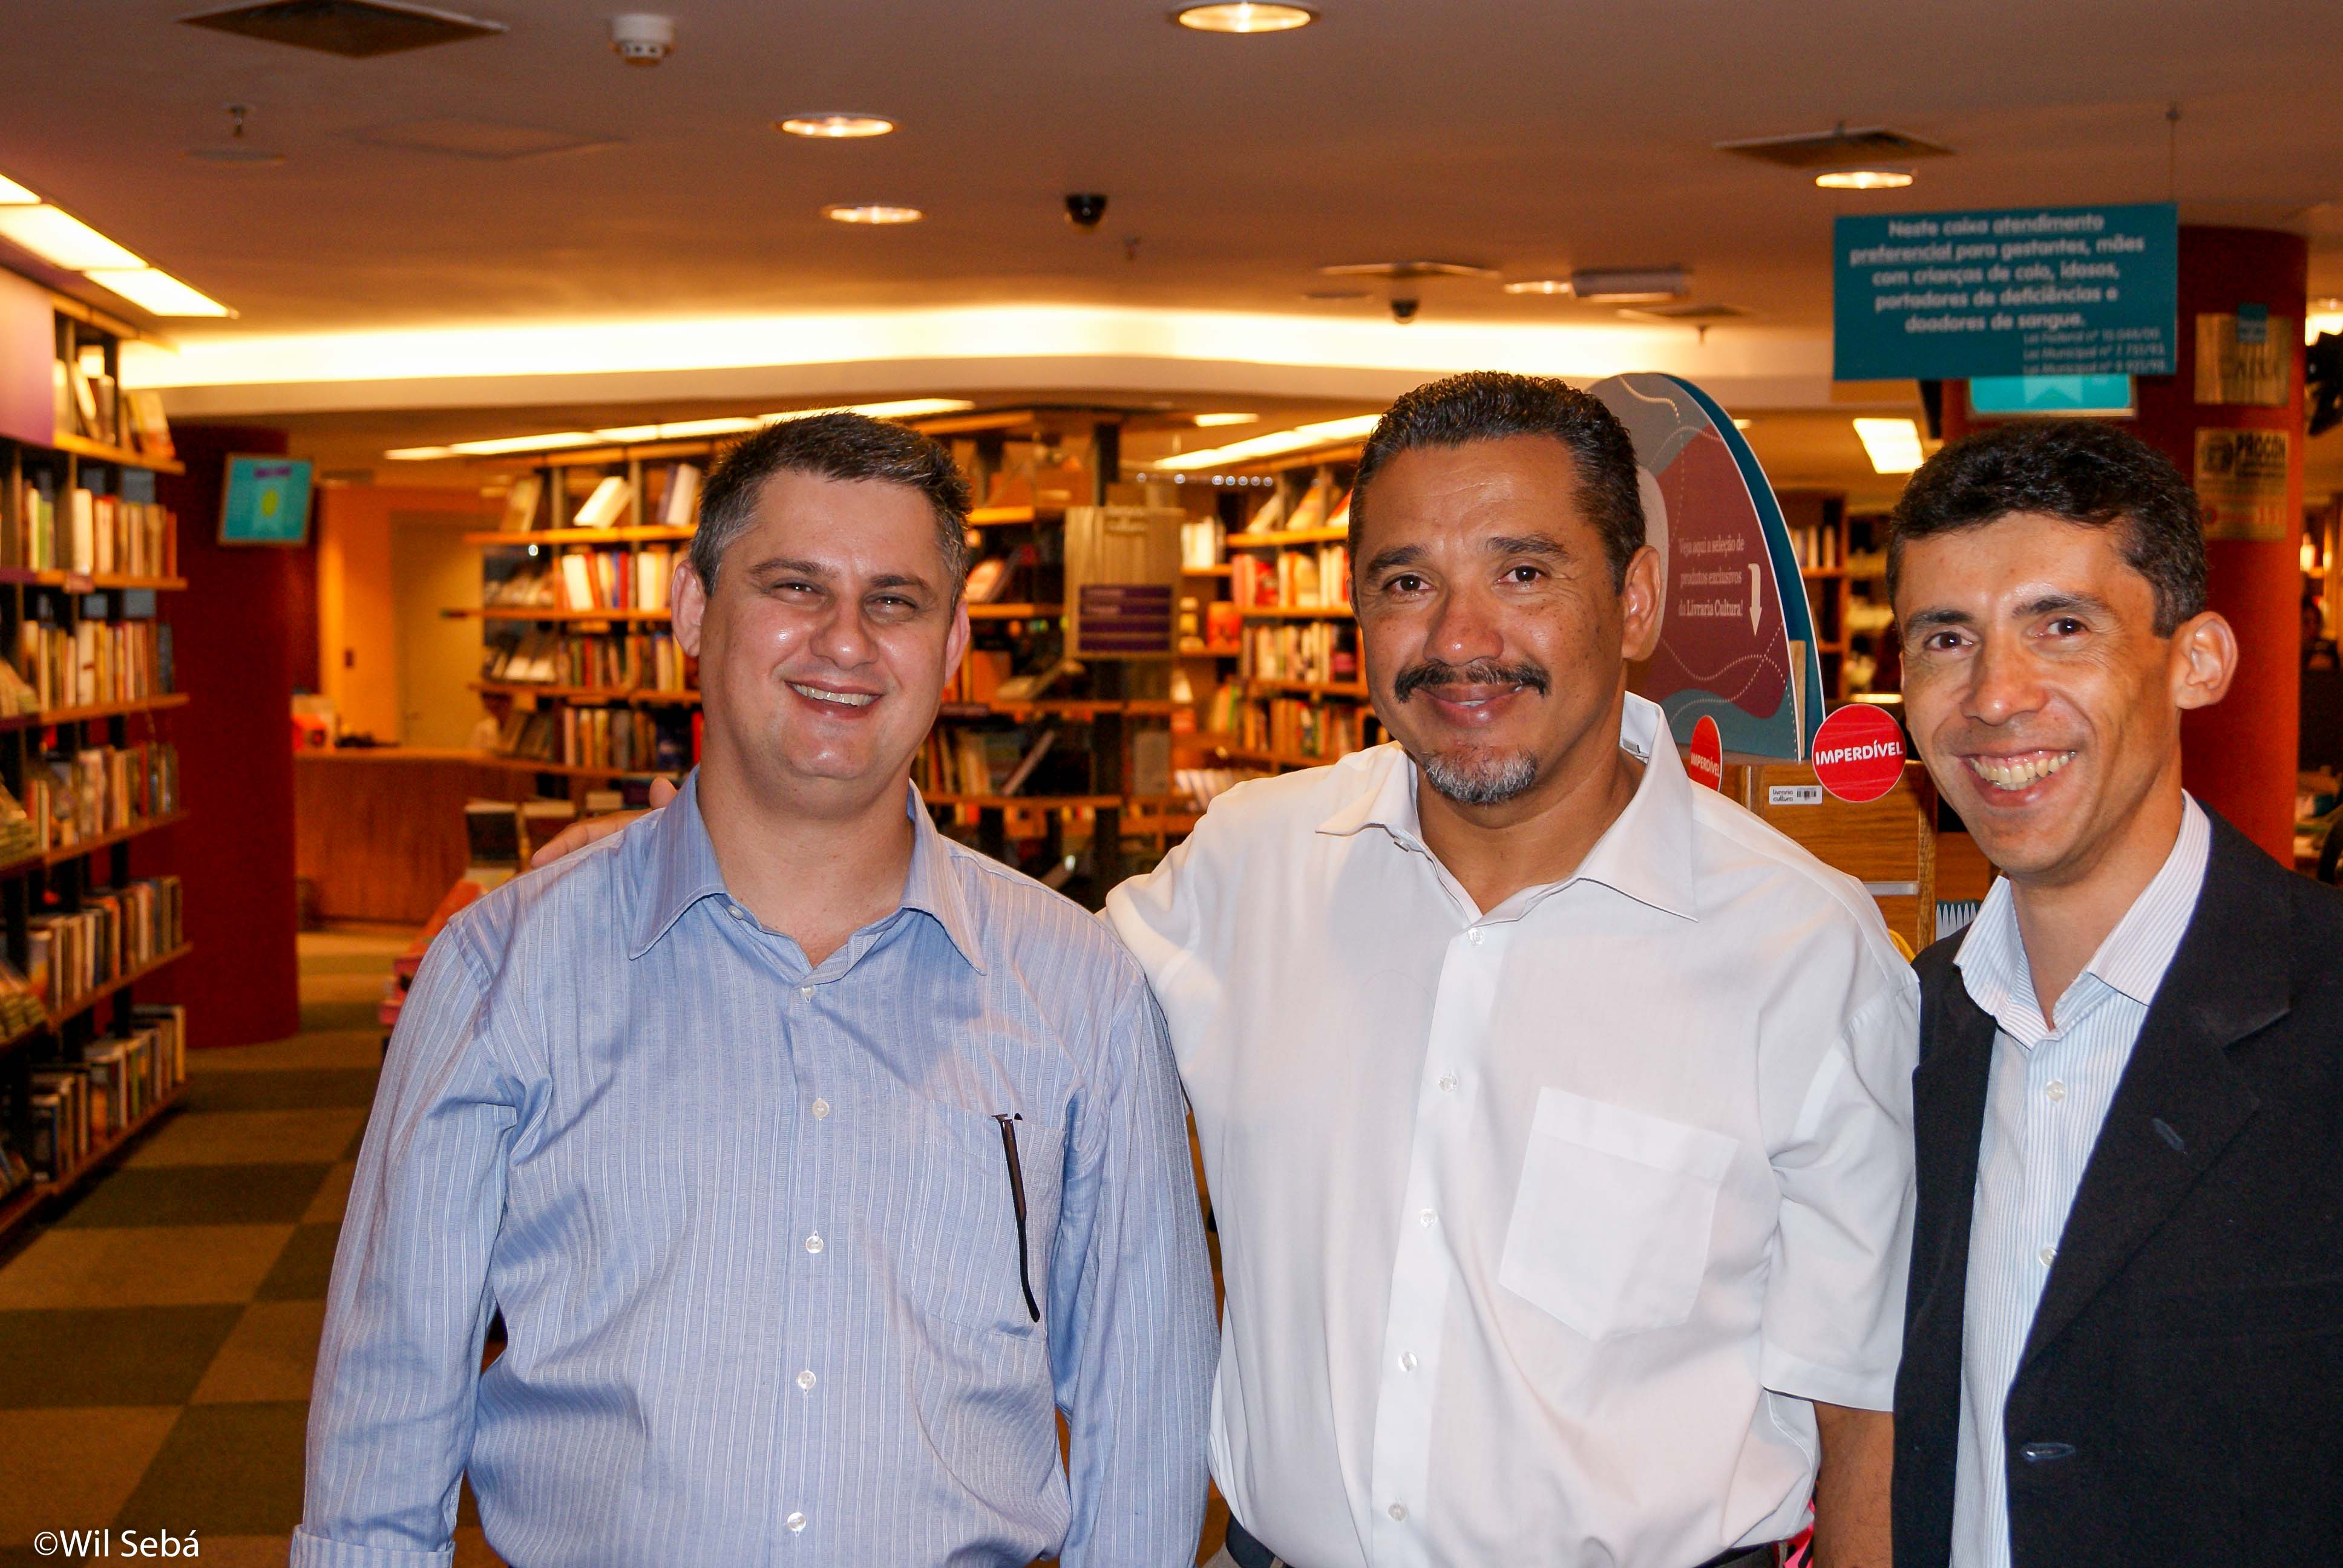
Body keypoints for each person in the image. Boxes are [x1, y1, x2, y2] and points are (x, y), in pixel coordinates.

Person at [295, 414, 1216, 1568]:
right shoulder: (503, 973)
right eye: (794, 586)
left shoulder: (1080, 991)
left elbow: (1146, 1415)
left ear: (952, 643)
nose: (845, 642)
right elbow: (384, 1417)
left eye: (895, 600)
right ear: (691, 611)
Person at [1110, 373, 1914, 1568]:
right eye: (1405, 583)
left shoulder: (1801, 953)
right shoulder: (1247, 871)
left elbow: (1866, 1419)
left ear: (1635, 602)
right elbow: (1021, 1039)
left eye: (1523, 573)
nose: (1457, 641)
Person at [1885, 419, 2343, 1567]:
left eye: (2061, 627)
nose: (1994, 697)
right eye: (1947, 638)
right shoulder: (1899, 1028)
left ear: (2197, 660)